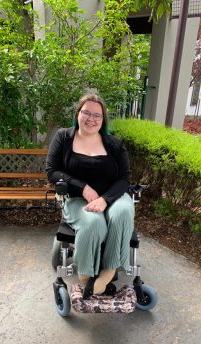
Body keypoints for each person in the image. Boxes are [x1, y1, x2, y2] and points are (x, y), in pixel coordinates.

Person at [46, 93, 134, 299]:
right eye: (86, 112)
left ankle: (107, 273)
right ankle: (86, 276)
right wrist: (82, 187)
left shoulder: (114, 144)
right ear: (78, 113)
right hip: (77, 199)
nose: (91, 119)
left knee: (122, 212)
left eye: (97, 115)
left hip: (113, 196)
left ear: (103, 120)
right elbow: (52, 171)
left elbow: (124, 179)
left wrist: (105, 199)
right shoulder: (63, 137)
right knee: (93, 223)